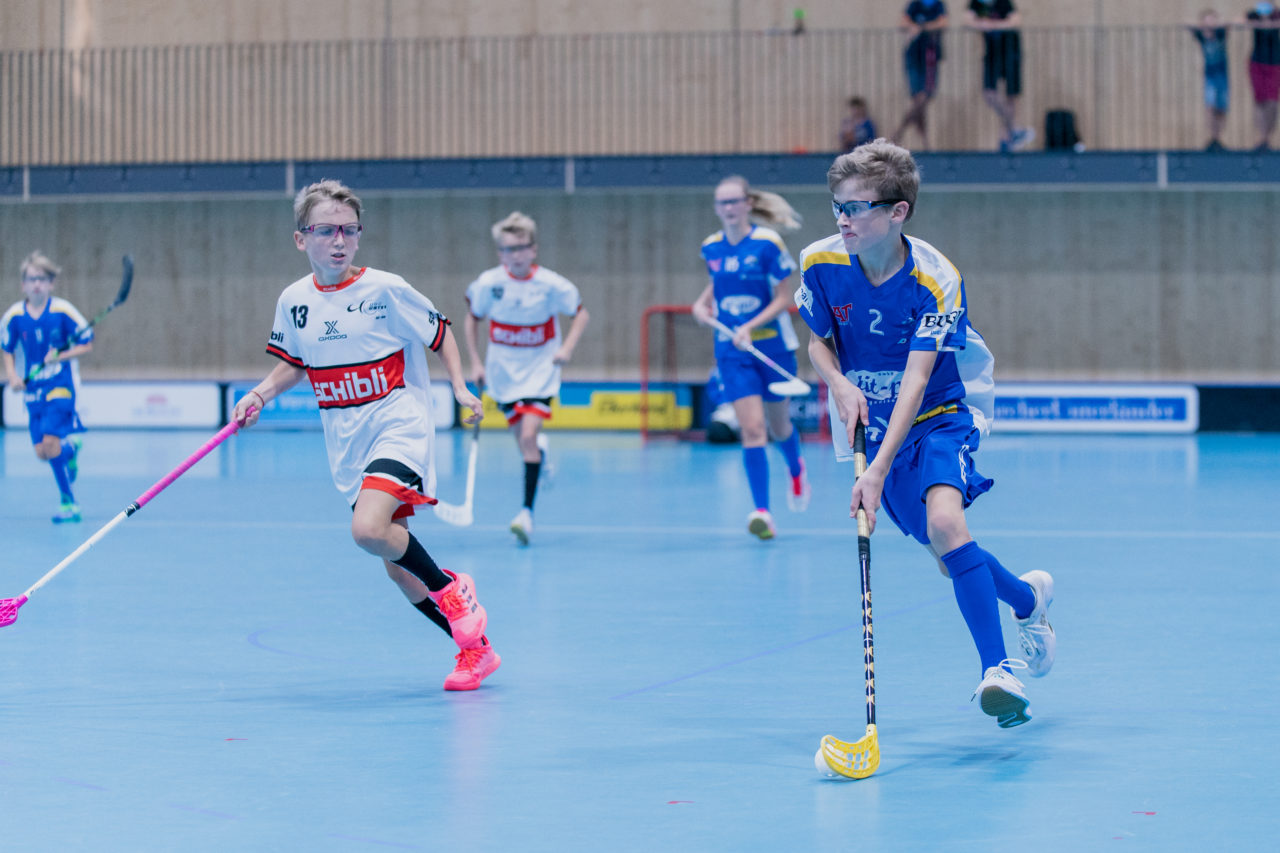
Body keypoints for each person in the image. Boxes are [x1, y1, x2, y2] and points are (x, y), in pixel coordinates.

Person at [794, 139, 1055, 727]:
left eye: (857, 207)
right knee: (948, 555)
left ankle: (999, 670)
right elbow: (816, 342)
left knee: (945, 523)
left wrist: (876, 471)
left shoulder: (936, 278)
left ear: (897, 211)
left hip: (937, 415)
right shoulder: (819, 261)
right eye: (837, 205)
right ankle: (1026, 599)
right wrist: (836, 381)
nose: (843, 218)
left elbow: (915, 382)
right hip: (874, 419)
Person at [230, 180, 498, 692]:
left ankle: (451, 587)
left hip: (398, 423)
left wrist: (461, 388)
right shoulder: (294, 301)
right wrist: (260, 395)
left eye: (349, 231)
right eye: (326, 230)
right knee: (397, 569)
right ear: (300, 238)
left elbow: (440, 333)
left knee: (368, 531)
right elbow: (294, 365)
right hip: (347, 440)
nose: (339, 241)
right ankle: (474, 651)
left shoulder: (385, 290)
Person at [691, 176, 811, 541]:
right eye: (721, 203)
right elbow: (721, 282)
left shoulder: (767, 244)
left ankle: (795, 467)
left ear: (747, 203)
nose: (727, 209)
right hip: (731, 350)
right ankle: (762, 511)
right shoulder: (711, 248)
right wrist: (702, 303)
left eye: (733, 202)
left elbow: (782, 299)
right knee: (752, 430)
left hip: (771, 346)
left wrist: (750, 325)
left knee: (779, 427)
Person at [463, 211, 590, 546]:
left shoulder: (552, 284)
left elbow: (581, 312)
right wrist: (475, 361)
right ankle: (541, 457)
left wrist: (566, 349)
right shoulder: (489, 284)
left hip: (540, 371)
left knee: (529, 435)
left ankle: (526, 514)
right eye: (508, 249)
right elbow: (472, 318)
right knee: (525, 441)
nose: (515, 255)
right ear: (500, 253)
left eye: (521, 248)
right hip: (503, 372)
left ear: (533, 249)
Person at [2, 251, 92, 524]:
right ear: (23, 285)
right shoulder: (15, 316)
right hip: (33, 389)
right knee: (43, 452)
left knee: (50, 442)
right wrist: (13, 377)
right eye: (31, 280)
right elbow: (7, 348)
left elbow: (86, 342)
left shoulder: (63, 311)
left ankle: (69, 502)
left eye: (42, 279)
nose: (37, 285)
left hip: (61, 385)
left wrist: (60, 355)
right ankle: (71, 450)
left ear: (51, 283)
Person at [966, 0, 1034, 152]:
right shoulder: (977, 3)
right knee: (989, 94)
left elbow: (1015, 21)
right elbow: (969, 21)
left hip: (1010, 51)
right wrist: (982, 23)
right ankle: (1014, 128)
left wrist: (991, 24)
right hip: (992, 53)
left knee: (1011, 95)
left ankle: (1006, 138)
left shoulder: (1004, 3)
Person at [893, 0, 948, 150]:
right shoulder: (914, 4)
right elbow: (903, 23)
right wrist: (913, 27)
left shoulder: (938, 4)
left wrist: (921, 27)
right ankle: (925, 142)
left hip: (930, 56)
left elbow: (942, 23)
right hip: (913, 56)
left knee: (924, 97)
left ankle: (899, 132)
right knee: (918, 100)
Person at [1191, 9, 1231, 151]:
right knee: (1210, 106)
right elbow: (1187, 25)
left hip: (1222, 76)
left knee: (1221, 108)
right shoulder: (1201, 36)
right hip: (1210, 76)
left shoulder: (1220, 34)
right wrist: (1202, 26)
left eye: (1212, 21)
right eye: (1207, 21)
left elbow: (1228, 25)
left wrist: (1216, 25)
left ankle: (1218, 136)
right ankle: (1213, 136)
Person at [1244, 1, 1280, 150]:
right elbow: (1242, 20)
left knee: (1272, 101)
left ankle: (1267, 136)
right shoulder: (1254, 14)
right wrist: (1261, 21)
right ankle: (1261, 137)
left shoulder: (1276, 14)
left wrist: (1270, 22)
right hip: (1257, 61)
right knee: (1259, 101)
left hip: (1274, 62)